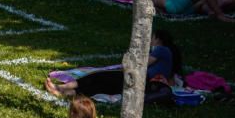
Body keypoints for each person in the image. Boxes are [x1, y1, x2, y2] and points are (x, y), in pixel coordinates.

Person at [45, 29, 182, 98]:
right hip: (143, 82)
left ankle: (62, 90)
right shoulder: (166, 53)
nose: (150, 40)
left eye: (152, 37)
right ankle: (62, 89)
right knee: (101, 84)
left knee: (98, 78)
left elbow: (142, 64)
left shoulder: (162, 50)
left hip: (140, 79)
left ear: (158, 39)